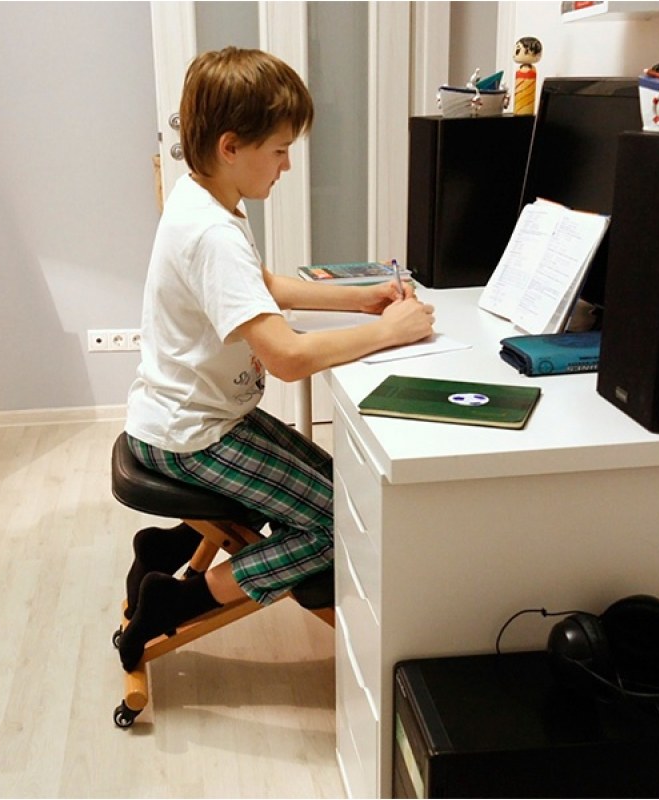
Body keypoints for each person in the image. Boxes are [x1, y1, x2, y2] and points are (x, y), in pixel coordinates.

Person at [119, 47, 437, 672]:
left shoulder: (203, 197)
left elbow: (260, 284)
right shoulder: (212, 234)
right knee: (342, 521)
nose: (288, 165)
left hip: (190, 416)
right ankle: (177, 600)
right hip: (192, 436)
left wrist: (361, 300)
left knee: (345, 491)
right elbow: (288, 358)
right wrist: (390, 332)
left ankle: (173, 543)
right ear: (231, 146)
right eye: (280, 150)